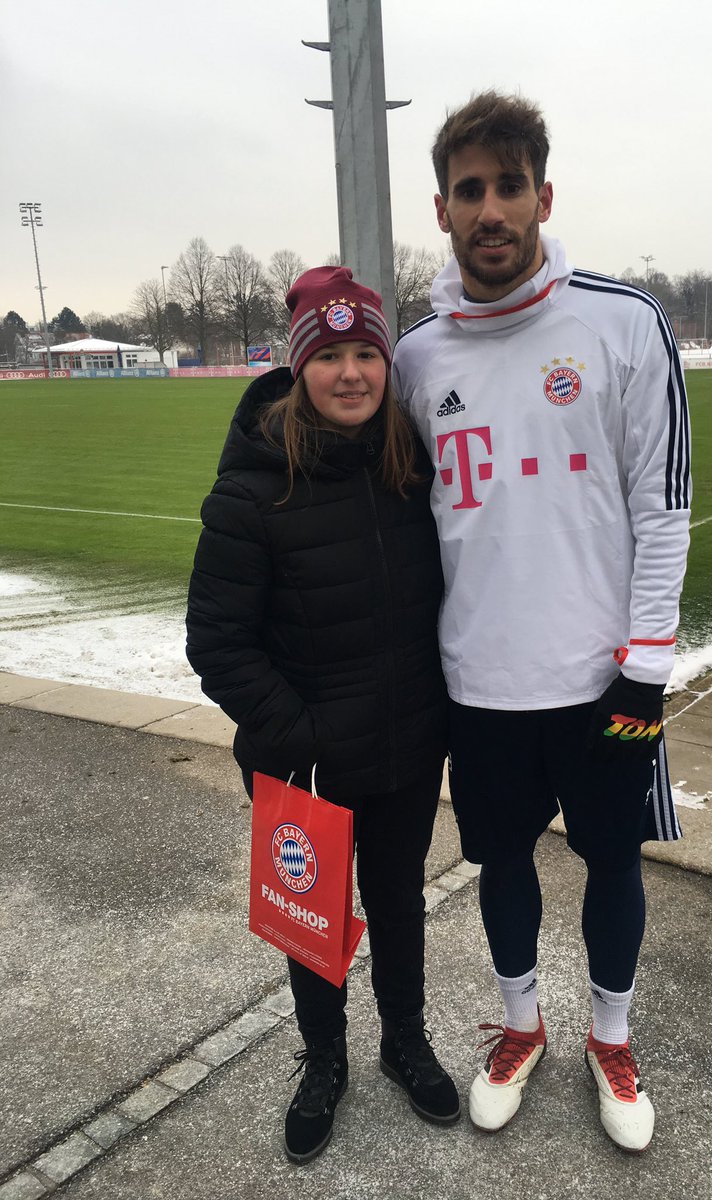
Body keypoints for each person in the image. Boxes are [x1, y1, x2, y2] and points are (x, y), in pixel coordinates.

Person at [391, 91, 691, 1153]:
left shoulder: (622, 322)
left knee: (615, 861)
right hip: (479, 686)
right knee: (499, 862)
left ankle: (612, 1037)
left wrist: (646, 669)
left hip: (605, 680)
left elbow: (664, 510)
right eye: (469, 189)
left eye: (508, 186)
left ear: (542, 196)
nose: (490, 209)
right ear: (442, 209)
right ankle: (521, 1027)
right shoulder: (417, 359)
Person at [185, 266, 460, 1165]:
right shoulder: (252, 489)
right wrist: (299, 736)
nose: (352, 373)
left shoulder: (412, 465)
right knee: (312, 918)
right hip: (303, 761)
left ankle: (403, 1042)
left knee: (397, 902)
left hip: (409, 748)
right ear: (299, 367)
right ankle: (324, 1060)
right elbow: (218, 643)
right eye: (330, 355)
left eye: (366, 354)